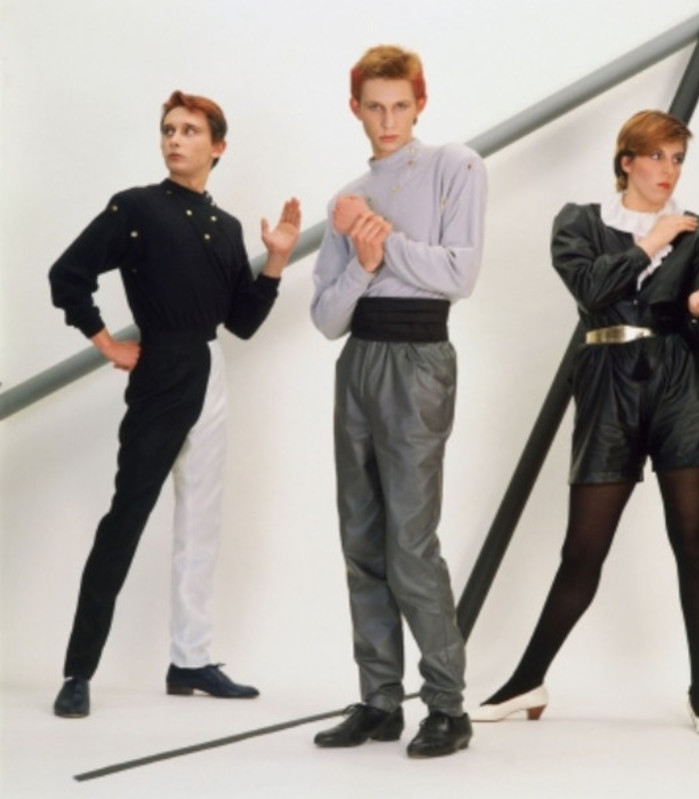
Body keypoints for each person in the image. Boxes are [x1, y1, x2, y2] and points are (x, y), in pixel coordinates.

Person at [471, 110, 699, 738]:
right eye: (657, 156)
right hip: (607, 384)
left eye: (677, 159)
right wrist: (649, 243)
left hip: (681, 385)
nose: (668, 170)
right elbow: (590, 290)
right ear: (627, 161)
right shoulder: (580, 222)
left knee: (694, 539)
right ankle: (527, 679)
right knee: (582, 548)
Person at [48, 90, 301, 718]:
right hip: (159, 369)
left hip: (211, 368)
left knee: (201, 522)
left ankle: (190, 660)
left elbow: (242, 321)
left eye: (189, 130)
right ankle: (78, 671)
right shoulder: (135, 207)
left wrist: (275, 261)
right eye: (168, 129)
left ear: (217, 147)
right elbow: (68, 273)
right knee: (126, 519)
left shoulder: (228, 228)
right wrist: (106, 342)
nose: (174, 139)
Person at [310, 45, 487, 758]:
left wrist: (382, 242)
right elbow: (327, 318)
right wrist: (362, 262)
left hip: (418, 358)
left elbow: (460, 274)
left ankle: (447, 705)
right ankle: (380, 700)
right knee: (360, 538)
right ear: (355, 108)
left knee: (410, 543)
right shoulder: (347, 198)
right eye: (375, 107)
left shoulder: (455, 165)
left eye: (400, 106)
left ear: (420, 104)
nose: (388, 120)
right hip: (359, 359)